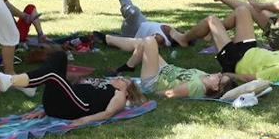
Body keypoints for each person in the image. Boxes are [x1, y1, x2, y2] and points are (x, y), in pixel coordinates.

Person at [0, 51, 146, 126]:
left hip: (78, 106)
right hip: (65, 102)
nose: (120, 78)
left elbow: (108, 113)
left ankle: (10, 80)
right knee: (59, 56)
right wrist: (44, 111)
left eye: (125, 80)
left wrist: (82, 121)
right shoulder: (106, 83)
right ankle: (30, 86)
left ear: (128, 92)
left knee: (53, 76)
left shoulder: (120, 95)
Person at [203, 4, 279, 84]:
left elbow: (249, 78)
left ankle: (186, 38)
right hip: (249, 49)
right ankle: (205, 34)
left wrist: (226, 74)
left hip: (235, 59)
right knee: (243, 9)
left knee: (212, 20)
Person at [103, 35, 240, 99]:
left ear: (216, 87)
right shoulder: (205, 77)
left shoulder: (197, 86)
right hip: (164, 68)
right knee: (142, 42)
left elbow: (169, 93)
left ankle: (128, 65)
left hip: (154, 81)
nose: (218, 73)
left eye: (220, 77)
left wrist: (145, 93)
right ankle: (108, 39)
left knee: (150, 41)